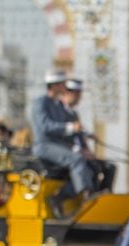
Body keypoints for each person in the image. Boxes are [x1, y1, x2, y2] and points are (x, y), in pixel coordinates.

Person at [30, 70, 94, 214]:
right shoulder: (41, 103)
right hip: (44, 146)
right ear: (55, 86)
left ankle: (66, 195)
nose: (65, 87)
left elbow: (66, 131)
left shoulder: (57, 105)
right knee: (76, 160)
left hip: (58, 146)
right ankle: (87, 195)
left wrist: (83, 137)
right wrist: (71, 128)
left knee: (89, 165)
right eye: (63, 84)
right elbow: (45, 126)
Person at [63, 79, 117, 193]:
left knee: (109, 167)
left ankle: (104, 194)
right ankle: (92, 196)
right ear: (68, 93)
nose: (79, 98)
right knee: (93, 168)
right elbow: (60, 136)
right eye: (77, 94)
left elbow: (78, 133)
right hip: (67, 154)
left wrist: (89, 136)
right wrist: (80, 150)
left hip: (79, 153)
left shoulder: (73, 113)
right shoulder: (60, 112)